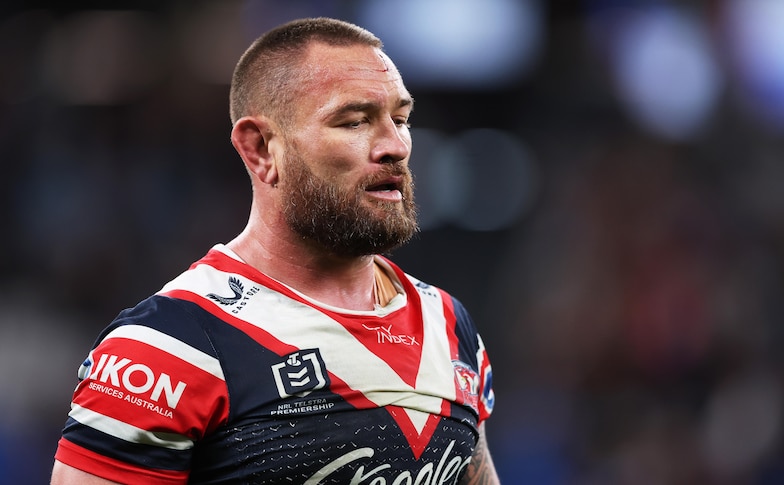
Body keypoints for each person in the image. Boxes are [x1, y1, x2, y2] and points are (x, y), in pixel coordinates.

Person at [50, 16, 499, 485]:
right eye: (354, 121)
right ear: (261, 148)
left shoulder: (447, 323)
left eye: (401, 119)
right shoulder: (166, 350)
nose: (395, 145)